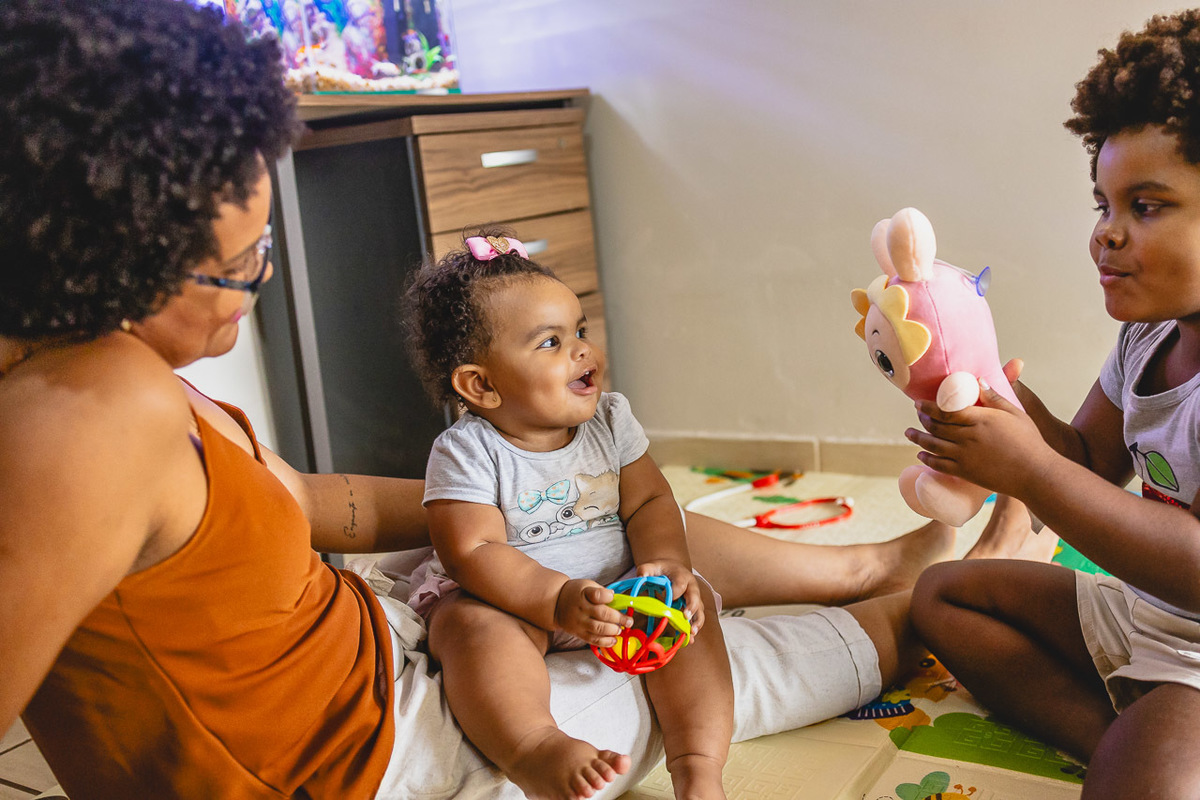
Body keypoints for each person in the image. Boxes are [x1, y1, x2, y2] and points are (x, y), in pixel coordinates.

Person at [1, 1, 1028, 798]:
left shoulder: (97, 376)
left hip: (368, 638)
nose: (263, 279)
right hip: (383, 749)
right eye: (240, 264)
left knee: (598, 523)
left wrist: (505, 509)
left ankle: (866, 561)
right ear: (110, 255)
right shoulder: (90, 414)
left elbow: (322, 505)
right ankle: (935, 600)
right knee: (720, 658)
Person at [908, 10, 1200, 798]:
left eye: (1146, 206)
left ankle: (1148, 749)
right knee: (941, 597)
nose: (1107, 233)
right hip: (1148, 622)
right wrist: (996, 396)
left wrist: (1031, 474)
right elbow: (1089, 463)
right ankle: (1124, 739)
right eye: (1102, 205)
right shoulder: (1147, 339)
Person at [402, 232, 732, 799]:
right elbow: (473, 552)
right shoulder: (468, 450)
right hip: (518, 604)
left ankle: (699, 767)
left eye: (579, 330)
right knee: (467, 628)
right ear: (480, 385)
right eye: (551, 343)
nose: (583, 350)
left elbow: (652, 500)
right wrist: (555, 602)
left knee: (690, 612)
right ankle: (534, 748)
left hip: (621, 594)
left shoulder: (609, 420)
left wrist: (665, 561)